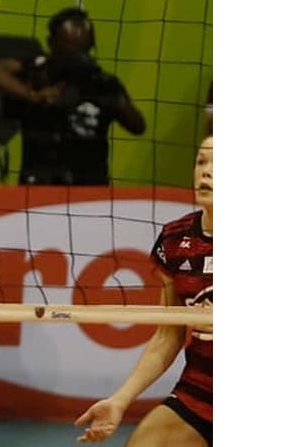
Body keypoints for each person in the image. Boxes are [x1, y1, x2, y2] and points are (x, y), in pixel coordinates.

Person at [75, 136, 212, 446]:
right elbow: (168, 335)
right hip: (201, 393)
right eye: (201, 161)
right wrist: (121, 400)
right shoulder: (175, 239)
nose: (206, 172)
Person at [0, 7, 146, 185]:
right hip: (40, 183)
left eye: (81, 49)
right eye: (68, 50)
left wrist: (116, 101)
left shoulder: (104, 84)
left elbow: (138, 127)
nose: (74, 58)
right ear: (51, 44)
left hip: (90, 186)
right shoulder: (38, 73)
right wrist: (33, 96)